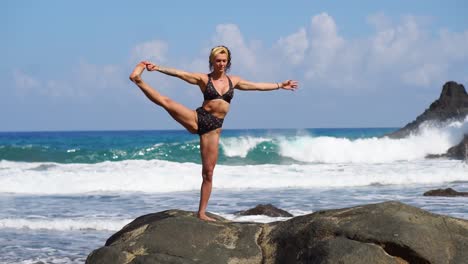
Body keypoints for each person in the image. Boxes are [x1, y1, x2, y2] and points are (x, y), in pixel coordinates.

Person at [129, 45, 298, 221]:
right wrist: (158, 68)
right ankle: (138, 80)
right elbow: (181, 74)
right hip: (198, 118)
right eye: (218, 61)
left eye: (224, 61)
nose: (221, 64)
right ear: (212, 61)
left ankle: (201, 212)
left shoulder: (235, 81)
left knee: (208, 172)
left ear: (228, 62)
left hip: (214, 129)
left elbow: (257, 86)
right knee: (166, 102)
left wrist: (279, 85)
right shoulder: (204, 79)